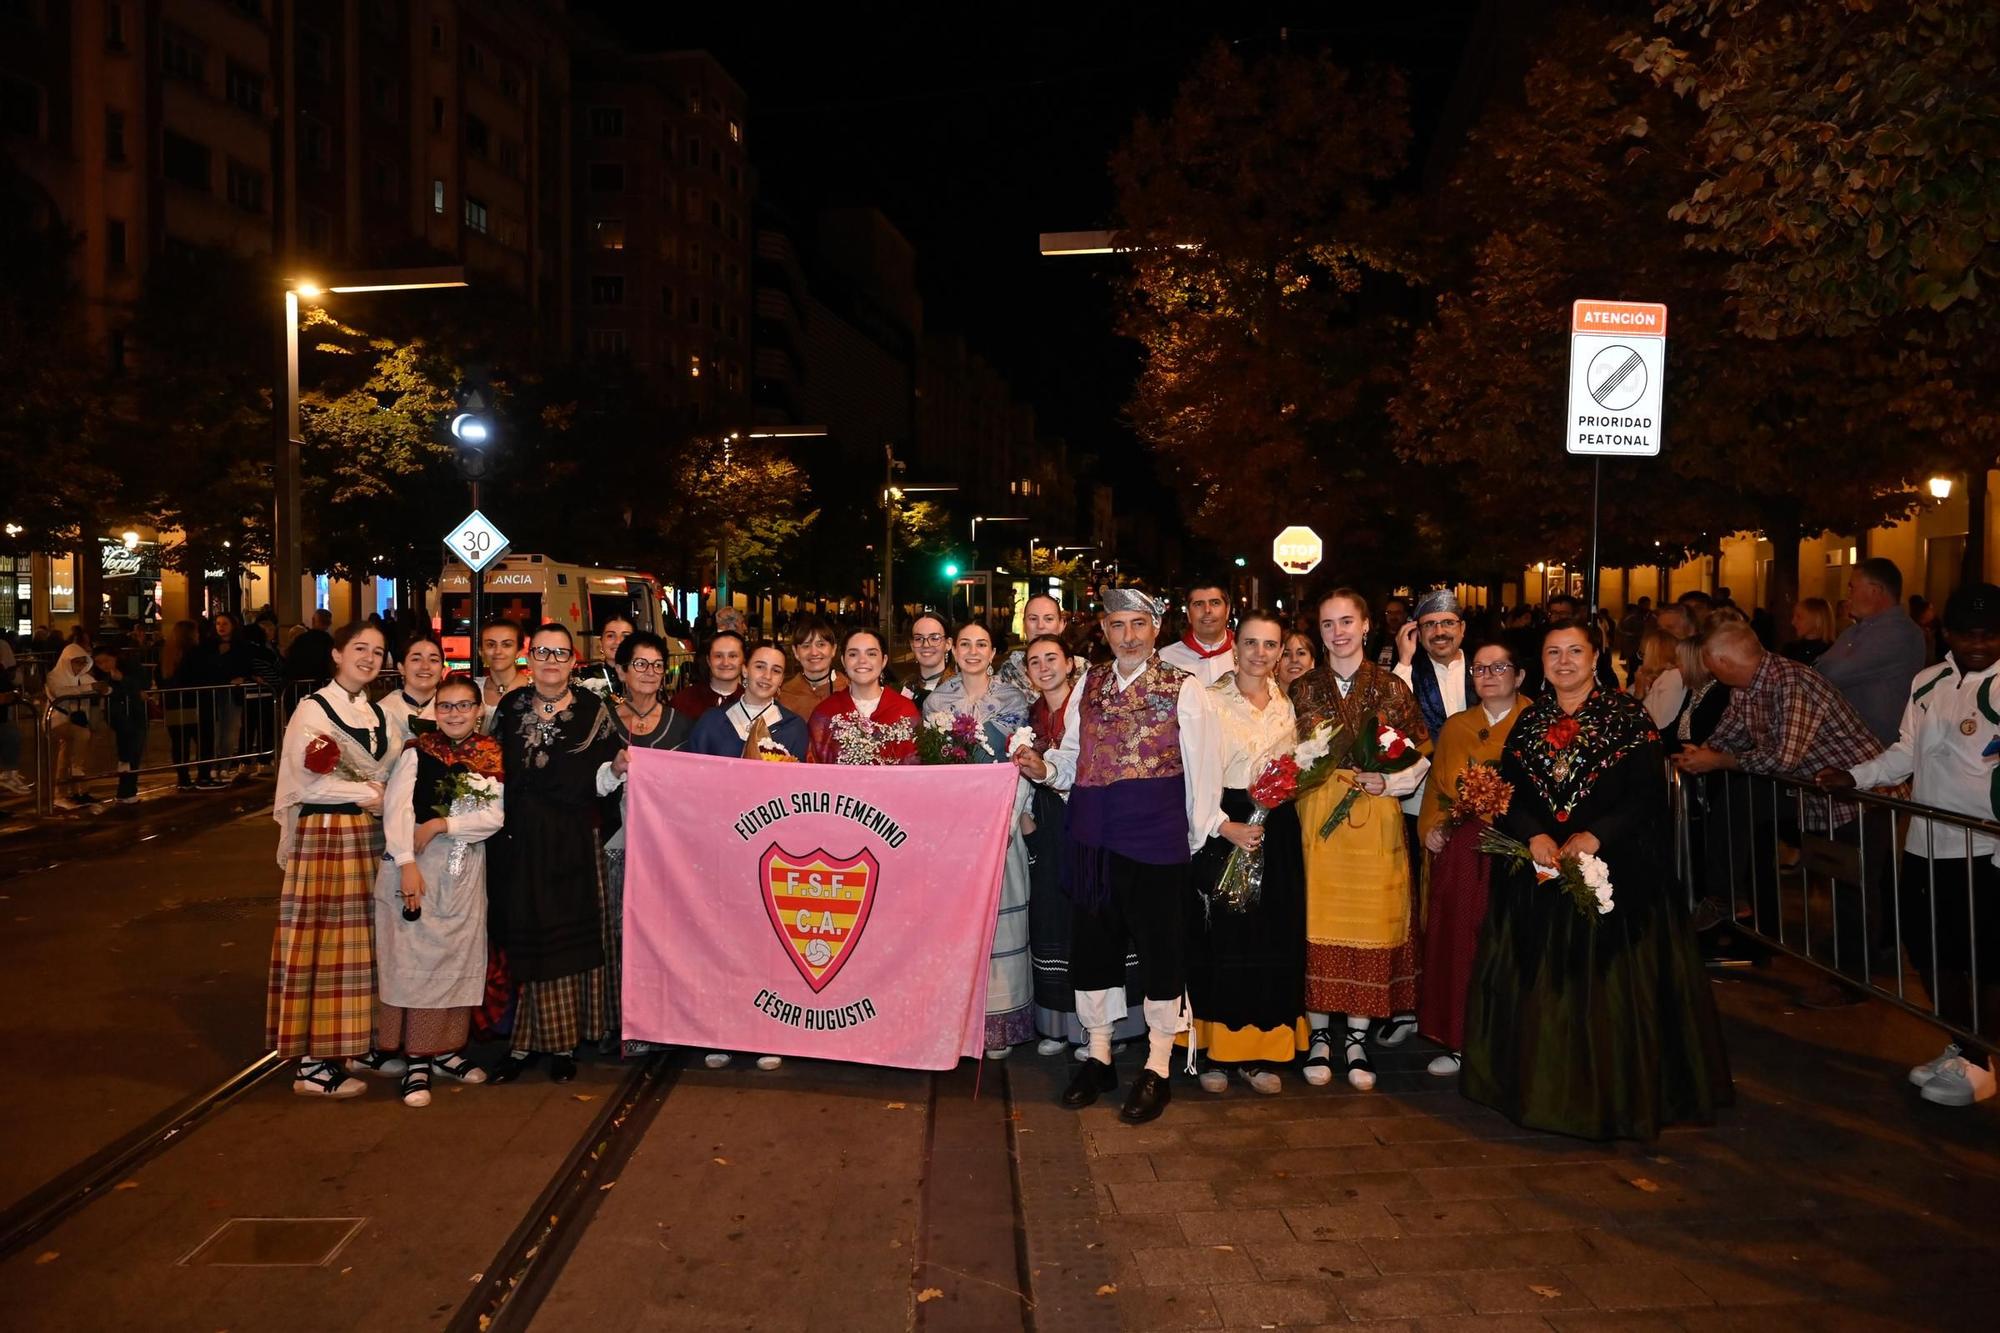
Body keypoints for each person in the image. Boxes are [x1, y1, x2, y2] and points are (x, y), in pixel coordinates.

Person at [1462, 619, 1732, 1140]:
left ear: (1595, 656)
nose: (1563, 662)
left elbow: (1646, 795)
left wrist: (1595, 836)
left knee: (1608, 987)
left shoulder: (1629, 718)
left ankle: (1612, 1093)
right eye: (1552, 653)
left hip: (1617, 875)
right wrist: (1532, 835)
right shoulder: (1529, 720)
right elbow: (1508, 792)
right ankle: (1535, 1087)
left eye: (1574, 652)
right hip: (1541, 874)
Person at [1014, 588, 1218, 1125]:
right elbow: (1075, 757)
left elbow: (1203, 774)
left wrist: (1190, 840)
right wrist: (1046, 770)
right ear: (1103, 630)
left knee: (1160, 954)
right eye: (1117, 626)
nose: (1128, 636)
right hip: (1092, 842)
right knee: (1095, 953)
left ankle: (1157, 1065)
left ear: (1155, 628)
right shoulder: (1090, 682)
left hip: (1155, 841)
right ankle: (1100, 1056)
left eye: (1138, 625)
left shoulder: (1185, 689)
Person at [1817, 584, 2000, 1108]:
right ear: (1948, 633)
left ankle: (1980, 1062)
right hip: (1926, 841)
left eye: (1990, 634)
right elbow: (1904, 753)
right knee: (1929, 952)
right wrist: (1854, 775)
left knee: (1983, 960)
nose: (1979, 644)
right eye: (1968, 633)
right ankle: (1966, 1047)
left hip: (1985, 849)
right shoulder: (1929, 681)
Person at [1676, 620, 1886, 1007]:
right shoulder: (1746, 687)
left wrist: (1718, 760)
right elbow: (1731, 734)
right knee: (1738, 802)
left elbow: (1783, 758)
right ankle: (1723, 896)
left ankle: (1853, 981)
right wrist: (1700, 753)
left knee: (1851, 892)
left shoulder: (1793, 682)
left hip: (1859, 794)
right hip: (1815, 792)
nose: (1707, 671)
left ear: (1722, 660)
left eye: (1709, 663)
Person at [1289, 588, 1431, 1091]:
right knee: (1317, 918)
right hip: (1317, 820)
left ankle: (1356, 1037)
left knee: (1370, 922)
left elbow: (1421, 756)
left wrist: (1388, 781)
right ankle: (1320, 1035)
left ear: (1367, 625)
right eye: (1328, 624)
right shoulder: (1301, 688)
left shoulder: (1392, 687)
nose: (1338, 632)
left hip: (1375, 818)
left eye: (1347, 621)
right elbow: (1285, 756)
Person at [487, 624, 623, 1084]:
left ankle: (563, 1045)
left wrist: (618, 768)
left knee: (566, 941)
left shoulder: (593, 709)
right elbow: (491, 770)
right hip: (519, 839)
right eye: (542, 651)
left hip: (572, 839)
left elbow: (602, 779)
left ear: (573, 660)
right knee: (526, 936)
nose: (550, 660)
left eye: (560, 653)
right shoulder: (510, 707)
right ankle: (522, 1044)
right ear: (528, 656)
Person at [268, 622, 395, 1098]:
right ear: (337, 654)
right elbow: (307, 783)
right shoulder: (313, 709)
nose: (369, 658)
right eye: (359, 649)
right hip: (328, 837)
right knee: (328, 948)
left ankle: (348, 1042)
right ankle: (314, 1064)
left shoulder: (372, 711)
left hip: (365, 837)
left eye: (378, 651)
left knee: (361, 946)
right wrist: (369, 792)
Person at [1185, 610, 1306, 1095]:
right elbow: (1195, 777)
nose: (1260, 653)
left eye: (1270, 645)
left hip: (1276, 828)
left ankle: (1259, 1054)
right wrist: (1223, 826)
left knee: (1270, 935)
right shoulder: (1208, 701)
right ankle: (1215, 1050)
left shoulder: (1286, 704)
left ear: (1281, 653)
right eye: (1251, 643)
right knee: (1224, 936)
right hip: (1226, 822)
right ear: (1235, 647)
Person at [375, 674, 502, 1107]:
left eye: (463, 705)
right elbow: (396, 812)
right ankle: (416, 1059)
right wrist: (406, 865)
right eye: (445, 706)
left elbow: (495, 816)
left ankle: (448, 1049)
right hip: (418, 865)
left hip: (465, 869)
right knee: (416, 959)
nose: (454, 714)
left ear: (478, 710)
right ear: (434, 712)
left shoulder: (490, 754)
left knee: (457, 957)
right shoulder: (417, 753)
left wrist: (445, 824)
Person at [1019, 633, 1148, 1057]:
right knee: (1053, 917)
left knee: (1097, 918)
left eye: (1051, 658)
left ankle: (1112, 1027)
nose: (1044, 667)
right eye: (1034, 661)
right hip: (1050, 823)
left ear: (1069, 663)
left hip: (1092, 816)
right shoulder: (1031, 715)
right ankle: (1060, 1024)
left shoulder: (1092, 703)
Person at [923, 620, 1036, 1059]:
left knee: (1003, 924)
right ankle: (956, 1019)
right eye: (965, 644)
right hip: (954, 830)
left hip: (1001, 826)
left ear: (994, 653)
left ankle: (1000, 1024)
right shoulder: (938, 700)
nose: (973, 651)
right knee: (955, 926)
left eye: (982, 645)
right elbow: (932, 773)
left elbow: (1021, 763)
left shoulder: (1013, 699)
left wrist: (1008, 821)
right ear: (953, 649)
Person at [1415, 641, 1526, 1077]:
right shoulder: (1459, 726)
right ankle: (1462, 1042)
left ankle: (1511, 1042)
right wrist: (1433, 828)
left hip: (1518, 846)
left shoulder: (1536, 722)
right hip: (1466, 850)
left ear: (1519, 676)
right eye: (1480, 668)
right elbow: (1437, 793)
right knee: (1461, 942)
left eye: (1500, 667)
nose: (1489, 675)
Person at [593, 632, 692, 1057]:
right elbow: (590, 785)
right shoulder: (601, 719)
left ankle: (662, 1020)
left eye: (657, 665)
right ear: (621, 670)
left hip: (665, 852)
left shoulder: (680, 724)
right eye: (640, 664)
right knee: (618, 933)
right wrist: (614, 770)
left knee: (662, 936)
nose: (650, 673)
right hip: (615, 844)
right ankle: (622, 1021)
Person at [1815, 557, 1927, 746]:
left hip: (1876, 748)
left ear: (1875, 591)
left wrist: (1822, 666)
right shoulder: (1856, 631)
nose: (1848, 594)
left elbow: (1830, 674)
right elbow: (1821, 669)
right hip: (1849, 742)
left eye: (1852, 587)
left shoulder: (1899, 632)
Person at [809, 628, 922, 765]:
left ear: (884, 660)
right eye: (853, 654)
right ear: (843, 661)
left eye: (871, 654)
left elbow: (916, 770)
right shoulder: (826, 712)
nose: (862, 660)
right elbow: (814, 769)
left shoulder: (904, 710)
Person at [687, 640, 809, 759]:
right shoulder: (712, 721)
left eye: (776, 671)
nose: (767, 676)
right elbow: (692, 771)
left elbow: (796, 777)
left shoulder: (793, 727)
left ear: (781, 679)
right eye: (760, 667)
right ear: (745, 670)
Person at [45, 630, 100, 807]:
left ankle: (74, 791)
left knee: (69, 752)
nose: (79, 666)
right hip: (56, 720)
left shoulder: (84, 677)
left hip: (76, 722)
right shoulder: (54, 676)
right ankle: (72, 785)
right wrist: (90, 688)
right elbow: (59, 692)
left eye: (83, 662)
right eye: (77, 662)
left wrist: (102, 688)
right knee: (80, 739)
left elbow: (101, 688)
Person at [92, 642, 150, 804]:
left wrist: (123, 680)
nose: (103, 665)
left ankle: (127, 791)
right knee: (128, 753)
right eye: (99, 662)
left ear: (115, 657)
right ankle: (127, 791)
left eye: (106, 661)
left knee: (132, 754)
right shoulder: (101, 675)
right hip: (119, 717)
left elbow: (142, 685)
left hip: (135, 715)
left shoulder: (130, 668)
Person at [1159, 579, 1236, 685]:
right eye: (1199, 604)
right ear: (1188, 614)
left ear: (1227, 611)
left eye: (1215, 603)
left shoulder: (1249, 654)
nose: (1207, 610)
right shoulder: (1166, 659)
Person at [775, 614, 846, 723]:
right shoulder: (783, 695)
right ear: (795, 652)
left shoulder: (849, 690)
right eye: (806, 646)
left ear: (833, 649)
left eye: (821, 644)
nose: (814, 652)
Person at [379, 632, 445, 750]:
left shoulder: (453, 710)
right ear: (401, 667)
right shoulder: (382, 711)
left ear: (442, 670)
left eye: (433, 660)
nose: (425, 666)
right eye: (416, 659)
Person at [157, 620, 201, 792]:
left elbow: (161, 677)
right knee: (198, 738)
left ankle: (183, 777)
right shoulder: (193, 653)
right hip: (191, 702)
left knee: (179, 741)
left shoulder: (168, 653)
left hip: (172, 703)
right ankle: (201, 773)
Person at [669, 632, 745, 724]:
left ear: (743, 660)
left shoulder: (752, 702)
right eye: (718, 656)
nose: (725, 663)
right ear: (708, 660)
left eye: (733, 656)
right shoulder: (683, 702)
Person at [999, 595, 1068, 693]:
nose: (1040, 626)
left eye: (1048, 619)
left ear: (1061, 624)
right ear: (1024, 625)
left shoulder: (1083, 670)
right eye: (1033, 619)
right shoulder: (1010, 671)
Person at [476, 618, 526, 731]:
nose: (498, 651)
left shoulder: (535, 691)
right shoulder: (472, 690)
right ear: (480, 651)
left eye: (507, 645)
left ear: (519, 651)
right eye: (490, 645)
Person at [1632, 628, 1686, 728]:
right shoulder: (1654, 677)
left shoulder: (1673, 677)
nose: (1641, 660)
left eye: (1643, 654)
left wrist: (1639, 693)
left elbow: (1661, 723)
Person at [901, 613, 953, 706]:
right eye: (919, 638)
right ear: (912, 645)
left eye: (934, 638)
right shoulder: (905, 687)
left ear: (948, 644)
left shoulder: (959, 688)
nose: (926, 645)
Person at [579, 613, 635, 696]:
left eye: (625, 637)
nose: (618, 642)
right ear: (601, 641)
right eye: (610, 636)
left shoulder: (646, 676)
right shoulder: (585, 677)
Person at [284, 608, 335, 683]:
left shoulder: (301, 639)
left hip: (299, 682)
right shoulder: (331, 642)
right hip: (322, 681)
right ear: (329, 623)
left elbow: (290, 659)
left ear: (313, 621)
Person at [1782, 597, 1836, 665]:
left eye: (1799, 617)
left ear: (1817, 619)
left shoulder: (1832, 652)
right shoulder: (1790, 649)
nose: (1793, 622)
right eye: (1793, 616)